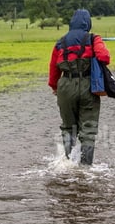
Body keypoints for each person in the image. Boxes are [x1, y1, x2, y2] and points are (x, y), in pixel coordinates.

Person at [48, 9, 111, 165]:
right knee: (88, 130)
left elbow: (53, 70)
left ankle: (67, 163)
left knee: (68, 128)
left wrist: (55, 87)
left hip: (65, 86)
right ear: (88, 23)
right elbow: (105, 57)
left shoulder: (60, 42)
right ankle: (85, 168)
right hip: (88, 85)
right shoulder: (93, 38)